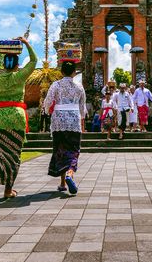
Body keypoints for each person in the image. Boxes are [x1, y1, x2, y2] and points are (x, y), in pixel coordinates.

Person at [0, 37, 36, 207]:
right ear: (17, 65)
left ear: (3, 65)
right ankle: (7, 190)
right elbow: (34, 60)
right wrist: (26, 43)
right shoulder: (20, 76)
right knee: (13, 156)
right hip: (17, 119)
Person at [44, 42, 86, 194]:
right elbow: (83, 108)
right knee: (73, 150)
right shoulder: (79, 87)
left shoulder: (55, 85)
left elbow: (47, 102)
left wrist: (49, 112)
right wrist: (82, 121)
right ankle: (69, 175)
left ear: (61, 71)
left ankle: (62, 183)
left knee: (60, 150)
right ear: (75, 72)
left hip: (58, 121)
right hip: (74, 121)